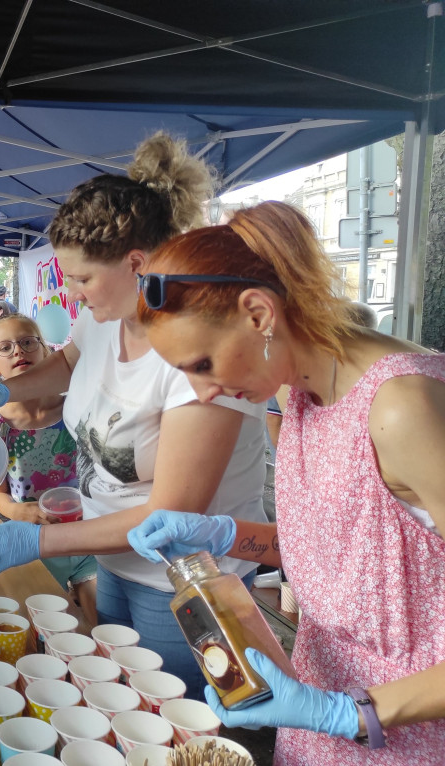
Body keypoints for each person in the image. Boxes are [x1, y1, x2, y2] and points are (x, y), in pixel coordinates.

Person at [126, 200, 445, 765]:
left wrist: (350, 714)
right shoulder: (294, 391)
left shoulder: (402, 407)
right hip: (318, 711)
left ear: (257, 313)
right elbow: (347, 553)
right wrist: (225, 535)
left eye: (202, 365)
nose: (202, 393)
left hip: (407, 734)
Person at [0, 133, 267, 702]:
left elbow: (168, 513)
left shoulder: (196, 353)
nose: (73, 295)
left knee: (168, 719)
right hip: (113, 557)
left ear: (136, 263)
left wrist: (38, 541)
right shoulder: (102, 319)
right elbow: (68, 368)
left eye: (81, 279)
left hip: (182, 579)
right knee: (120, 705)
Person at [0, 314, 98, 626]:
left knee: (101, 624)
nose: (18, 352)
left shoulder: (76, 406)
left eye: (27, 342)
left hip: (88, 536)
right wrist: (22, 513)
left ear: (47, 353)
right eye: (4, 348)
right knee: (55, 627)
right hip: (33, 544)